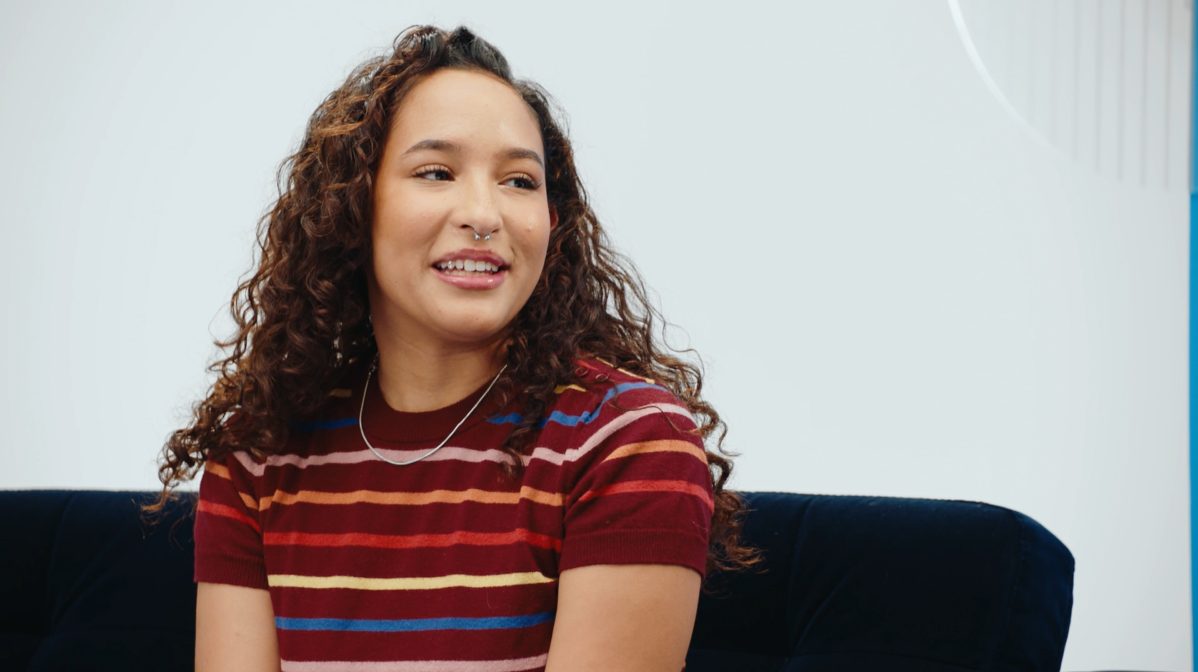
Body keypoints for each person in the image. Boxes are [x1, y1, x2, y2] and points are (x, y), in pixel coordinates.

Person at [143, 23, 763, 672]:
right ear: (352, 207)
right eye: (436, 172)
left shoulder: (628, 443)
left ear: (552, 223)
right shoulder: (257, 456)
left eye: (519, 181)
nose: (485, 215)